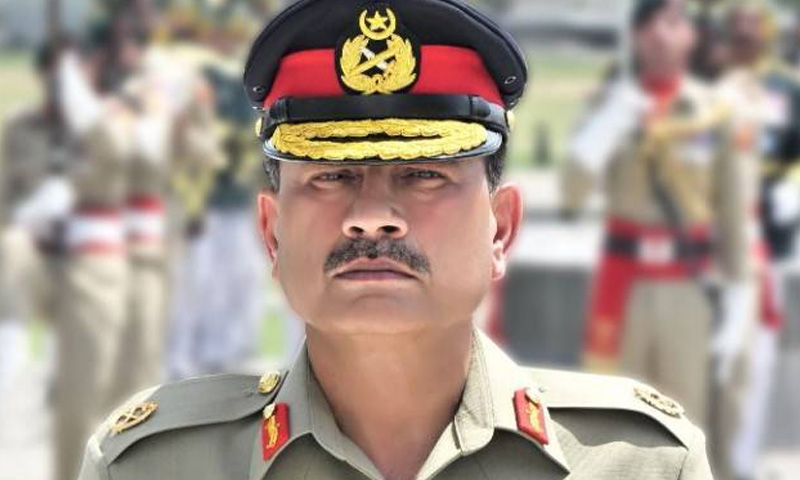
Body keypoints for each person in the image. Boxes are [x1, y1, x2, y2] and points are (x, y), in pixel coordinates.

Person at [76, 1, 712, 479]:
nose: (373, 216)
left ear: (501, 228)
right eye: (331, 175)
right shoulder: (150, 466)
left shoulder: (642, 464)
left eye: (424, 174)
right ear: (272, 233)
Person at [563, 0, 756, 475]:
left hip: (684, 289)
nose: (661, 34)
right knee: (613, 422)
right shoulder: (610, 104)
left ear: (691, 37)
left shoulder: (713, 112)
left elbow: (733, 211)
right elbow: (570, 195)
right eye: (649, 23)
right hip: (621, 286)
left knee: (685, 423)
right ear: (636, 37)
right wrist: (609, 122)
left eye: (673, 21)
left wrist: (739, 293)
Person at [716, 4, 800, 479]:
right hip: (707, 249)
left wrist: (786, 196)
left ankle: (742, 463)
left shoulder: (785, 91)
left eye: (755, 32)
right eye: (739, 32)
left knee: (756, 363)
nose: (747, 41)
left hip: (767, 243)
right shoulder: (706, 89)